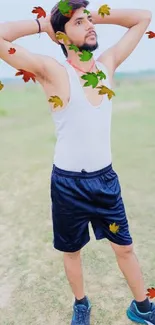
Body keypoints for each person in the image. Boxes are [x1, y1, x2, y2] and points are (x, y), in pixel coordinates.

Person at [0, 1, 153, 324]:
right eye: (79, 24)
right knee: (72, 251)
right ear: (62, 37)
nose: (89, 26)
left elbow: (143, 18)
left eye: (89, 21)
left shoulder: (107, 64)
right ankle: (81, 303)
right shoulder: (53, 72)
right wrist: (48, 26)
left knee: (124, 247)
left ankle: (142, 307)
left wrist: (85, 16)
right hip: (68, 184)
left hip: (105, 181)